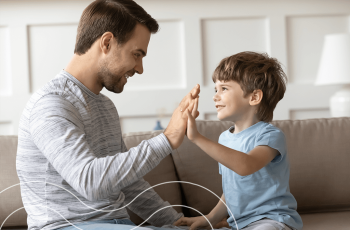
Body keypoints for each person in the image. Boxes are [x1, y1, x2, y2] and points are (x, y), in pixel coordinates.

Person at [16, 0, 199, 229]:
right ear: (107, 42)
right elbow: (90, 182)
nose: (140, 68)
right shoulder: (51, 104)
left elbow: (127, 184)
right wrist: (168, 138)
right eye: (137, 54)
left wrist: (175, 223)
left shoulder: (105, 106)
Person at [175, 52, 303, 230]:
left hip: (272, 220)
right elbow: (232, 189)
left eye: (224, 89)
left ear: (254, 97)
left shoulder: (271, 135)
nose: (215, 96)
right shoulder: (225, 138)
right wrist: (210, 218)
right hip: (239, 225)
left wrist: (196, 138)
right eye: (215, 89)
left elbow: (246, 166)